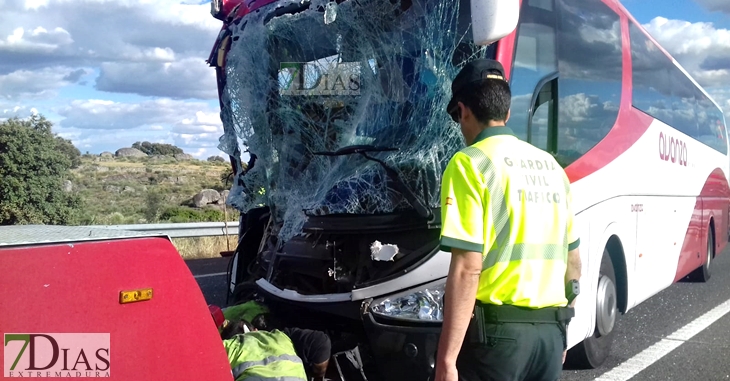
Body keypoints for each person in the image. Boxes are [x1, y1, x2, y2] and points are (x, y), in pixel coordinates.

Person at [433, 59, 582, 381]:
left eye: (457, 117)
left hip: (498, 338)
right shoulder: (552, 167)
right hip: (550, 334)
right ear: (507, 113)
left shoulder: (469, 163)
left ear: (463, 110)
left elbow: (468, 267)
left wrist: (447, 359)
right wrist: (561, 331)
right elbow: (573, 262)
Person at [214, 301, 332, 381]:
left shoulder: (225, 348)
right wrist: (317, 376)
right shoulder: (279, 336)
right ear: (255, 330)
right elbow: (322, 343)